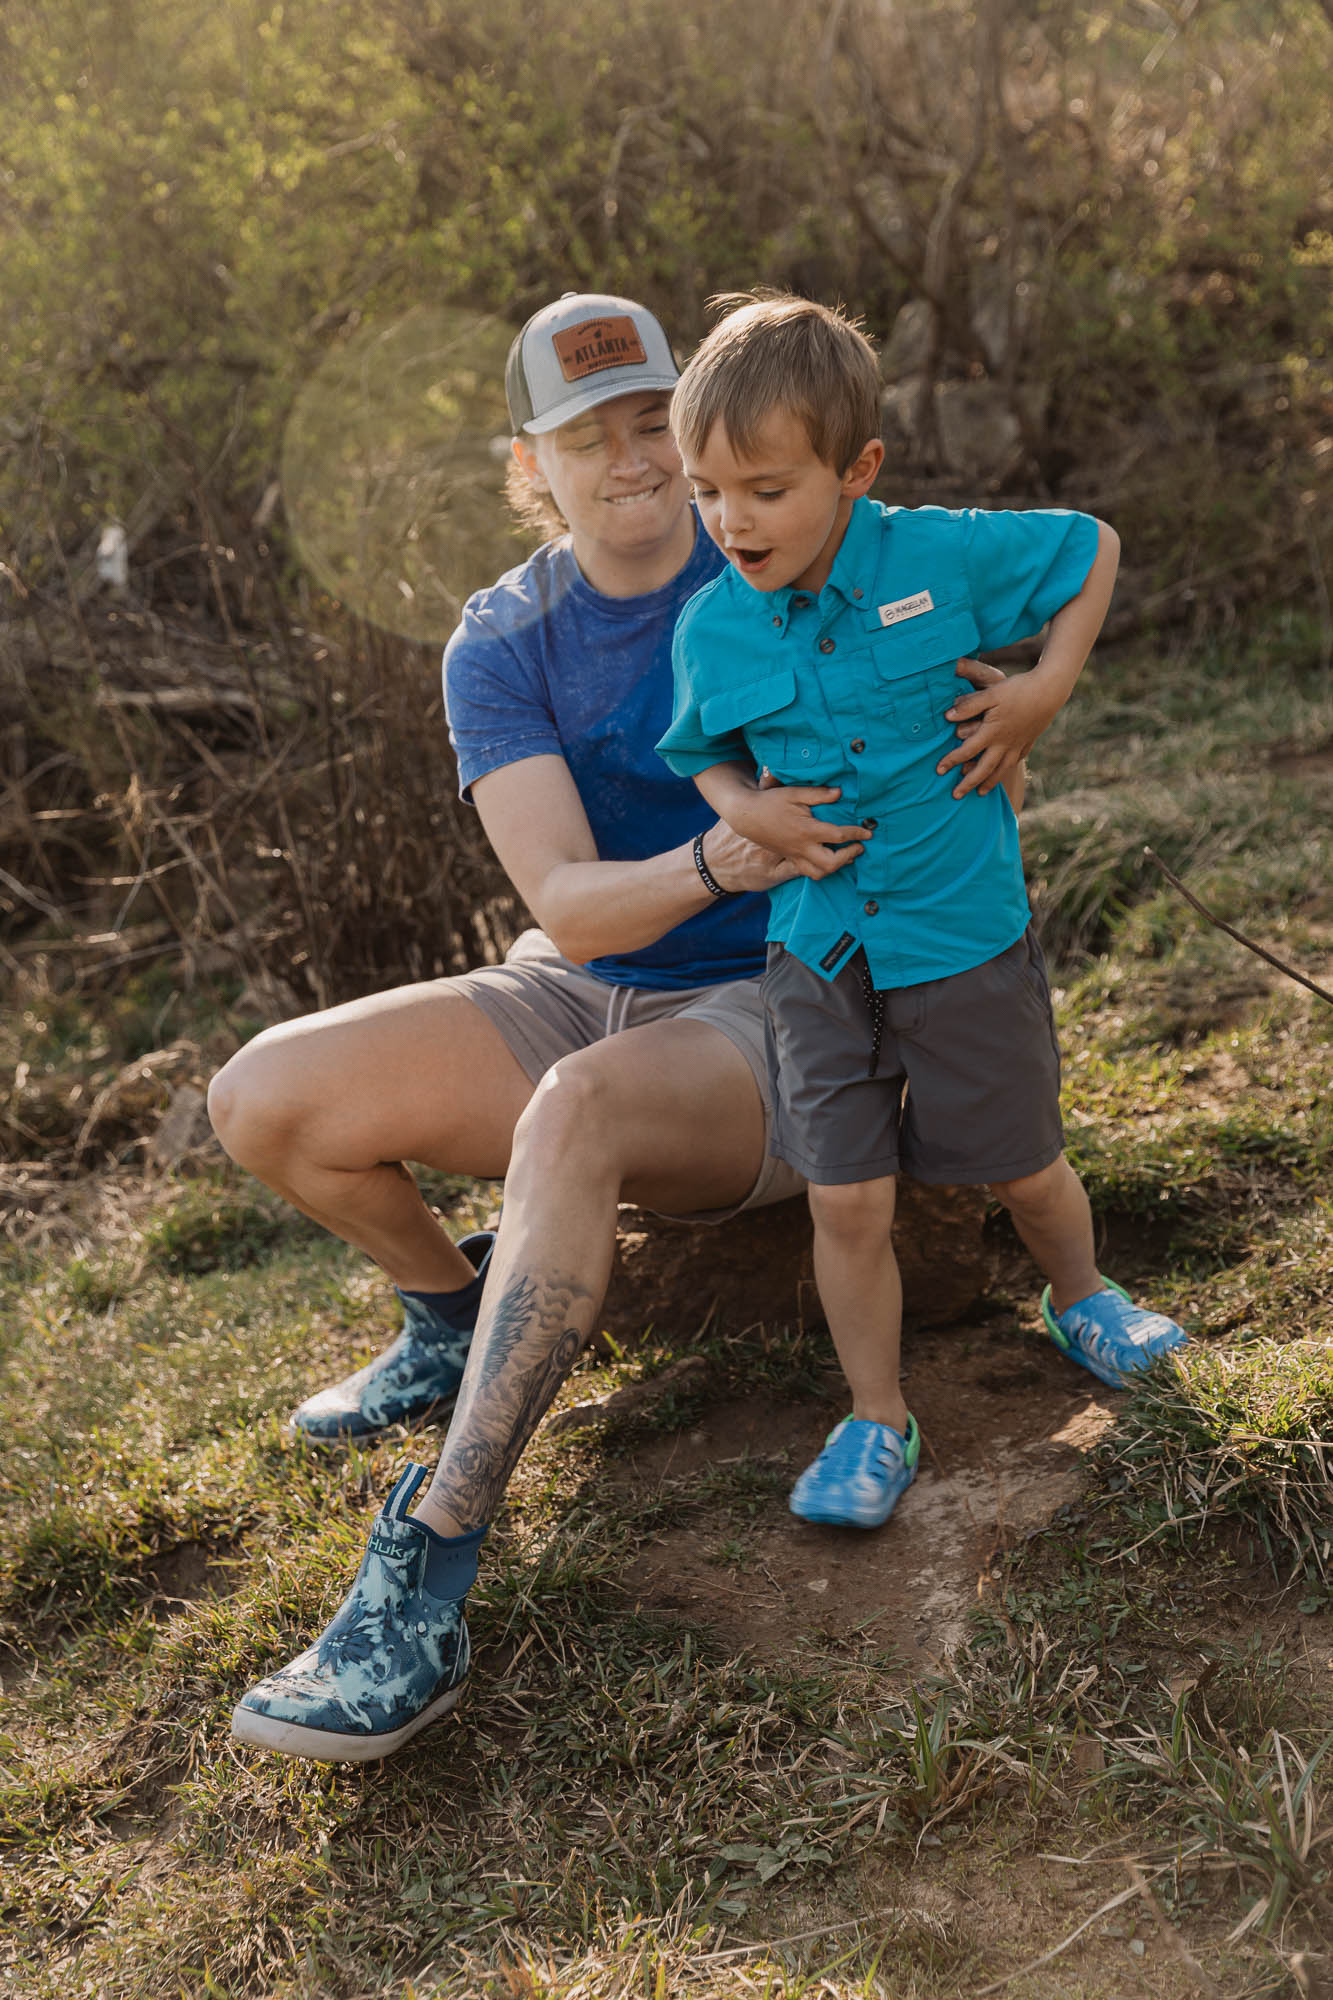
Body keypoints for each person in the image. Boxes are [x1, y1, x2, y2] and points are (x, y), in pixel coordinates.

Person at [210, 291, 1018, 1762]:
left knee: (574, 1108)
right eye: (592, 437)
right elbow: (572, 908)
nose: (637, 461)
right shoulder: (504, 638)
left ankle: (433, 1560)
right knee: (262, 1097)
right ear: (534, 465)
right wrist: (721, 852)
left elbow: (969, 668)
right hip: (594, 973)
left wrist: (1019, 702)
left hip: (791, 1003)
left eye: (657, 423)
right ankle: (453, 1317)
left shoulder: (792, 549)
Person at [657, 292, 1187, 1533]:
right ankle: (876, 1412)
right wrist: (755, 819)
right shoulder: (712, 623)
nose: (733, 520)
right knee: (846, 1197)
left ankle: (1083, 1296)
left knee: (1023, 1162)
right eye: (706, 490)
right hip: (817, 949)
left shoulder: (940, 555)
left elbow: (1090, 545)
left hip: (959, 930)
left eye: (768, 488)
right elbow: (703, 754)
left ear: (857, 469)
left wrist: (1040, 691)